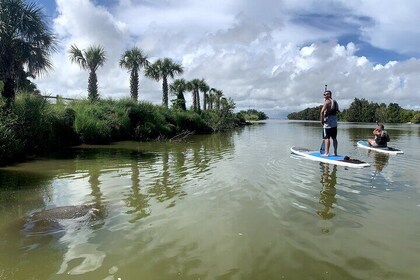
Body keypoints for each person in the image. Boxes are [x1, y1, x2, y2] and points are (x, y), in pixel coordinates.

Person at [320, 90, 339, 156]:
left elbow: (322, 112)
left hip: (328, 123)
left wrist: (322, 121)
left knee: (327, 138)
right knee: (334, 138)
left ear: (330, 95)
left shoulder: (327, 102)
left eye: (327, 94)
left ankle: (326, 153)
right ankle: (335, 152)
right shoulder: (335, 102)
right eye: (325, 94)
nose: (325, 96)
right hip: (334, 123)